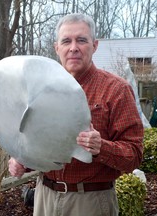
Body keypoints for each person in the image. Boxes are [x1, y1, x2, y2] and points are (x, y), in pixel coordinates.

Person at [8, 13, 144, 216]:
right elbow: (36, 142)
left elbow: (134, 155)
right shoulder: (40, 89)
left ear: (94, 45)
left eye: (81, 40)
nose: (73, 48)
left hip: (90, 201)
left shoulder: (116, 90)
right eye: (66, 41)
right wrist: (22, 161)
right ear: (57, 48)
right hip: (44, 197)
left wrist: (101, 148)